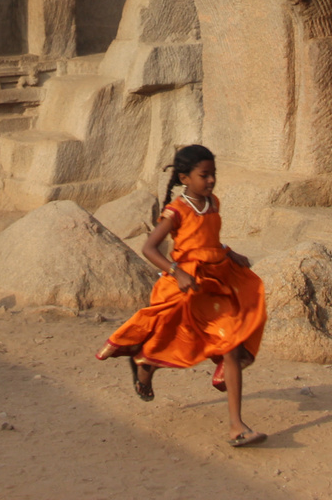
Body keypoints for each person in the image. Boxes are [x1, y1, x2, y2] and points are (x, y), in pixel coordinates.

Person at [95, 144, 268, 447]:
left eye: (213, 174)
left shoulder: (213, 203)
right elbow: (149, 248)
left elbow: (208, 241)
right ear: (185, 177)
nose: (211, 180)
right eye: (205, 175)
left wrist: (230, 252)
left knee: (231, 342)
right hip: (187, 285)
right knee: (180, 339)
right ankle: (146, 365)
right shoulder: (177, 210)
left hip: (216, 282)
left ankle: (237, 426)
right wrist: (177, 272)